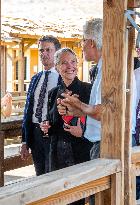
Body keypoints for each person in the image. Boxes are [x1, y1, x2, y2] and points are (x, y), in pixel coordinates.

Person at [40, 48, 92, 205]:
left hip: (79, 152)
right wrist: (46, 126)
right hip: (56, 153)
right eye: (64, 63)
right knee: (56, 197)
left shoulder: (88, 89)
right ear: (57, 67)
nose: (70, 66)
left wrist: (83, 131)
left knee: (77, 198)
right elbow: (52, 122)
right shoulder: (53, 93)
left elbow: (98, 120)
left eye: (73, 62)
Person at [20, 35, 61, 176]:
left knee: (53, 176)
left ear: (57, 53)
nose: (44, 53)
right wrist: (25, 141)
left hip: (54, 135)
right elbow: (27, 112)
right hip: (35, 135)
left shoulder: (62, 79)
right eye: (41, 50)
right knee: (39, 176)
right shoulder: (35, 79)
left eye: (48, 50)